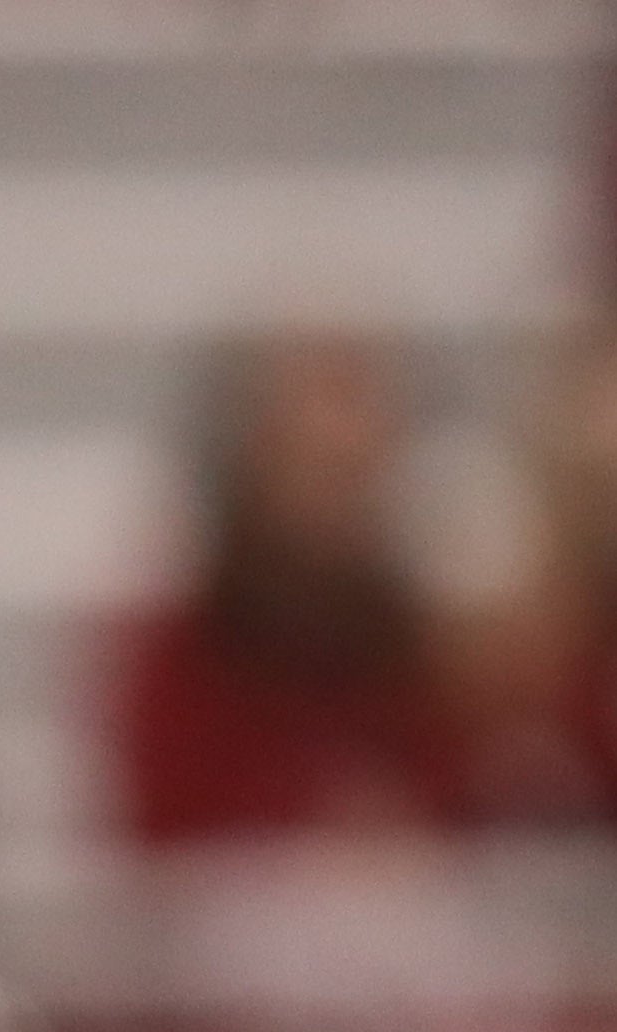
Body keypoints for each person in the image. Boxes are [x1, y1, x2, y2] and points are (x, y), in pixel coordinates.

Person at [105, 331, 474, 845]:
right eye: (310, 465)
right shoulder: (177, 658)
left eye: (352, 470)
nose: (332, 503)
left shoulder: (447, 656)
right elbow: (166, 847)